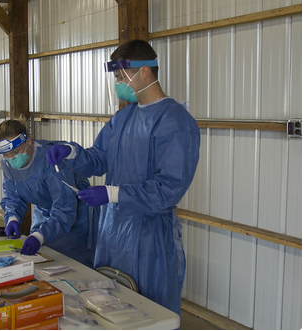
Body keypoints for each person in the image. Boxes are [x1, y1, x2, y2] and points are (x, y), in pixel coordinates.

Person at [47, 39, 200, 315]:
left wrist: (111, 194)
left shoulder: (175, 122)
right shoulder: (123, 118)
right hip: (113, 232)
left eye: (120, 77)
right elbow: (99, 157)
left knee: (149, 313)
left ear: (144, 72)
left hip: (149, 238)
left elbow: (168, 190)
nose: (117, 83)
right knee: (110, 306)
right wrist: (70, 152)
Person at [0, 119, 97, 267]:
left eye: (15, 152)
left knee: (72, 267)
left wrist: (40, 236)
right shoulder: (9, 163)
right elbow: (12, 195)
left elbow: (64, 206)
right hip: (43, 213)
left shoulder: (51, 160)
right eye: (6, 156)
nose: (11, 159)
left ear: (28, 140)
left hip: (74, 215)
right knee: (42, 263)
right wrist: (12, 218)